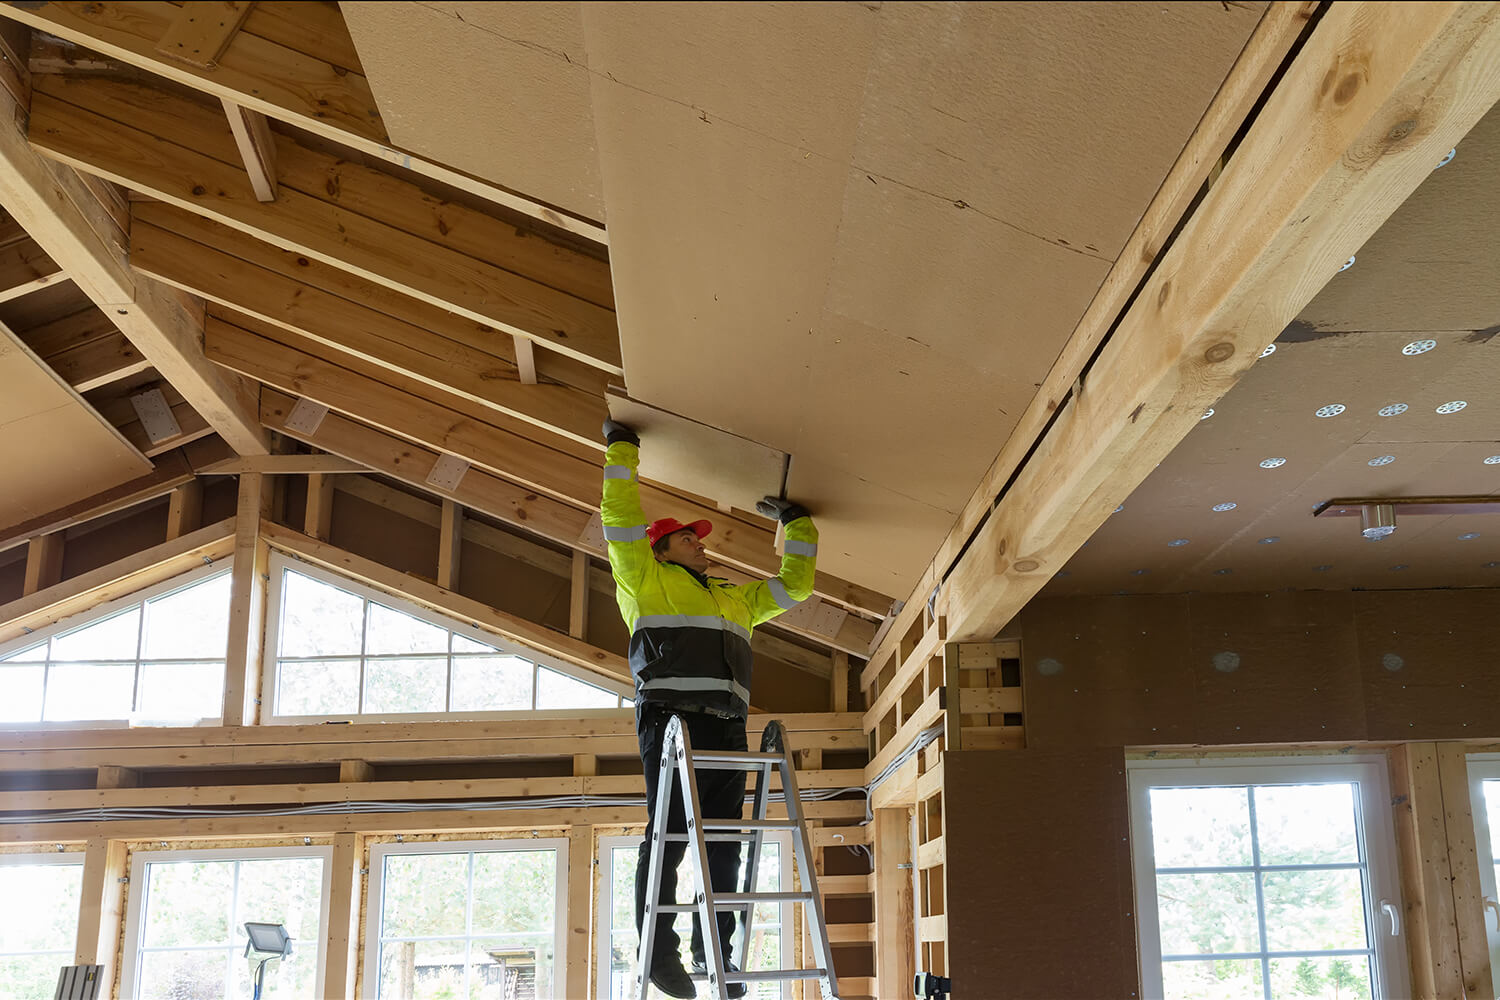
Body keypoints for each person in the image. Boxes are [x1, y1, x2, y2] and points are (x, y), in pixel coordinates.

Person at [600, 418, 818, 999]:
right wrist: (621, 448)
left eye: (698, 537)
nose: (701, 542)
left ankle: (714, 950)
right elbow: (620, 521)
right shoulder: (642, 578)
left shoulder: (735, 598)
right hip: (672, 721)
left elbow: (793, 588)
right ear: (660, 549)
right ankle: (658, 952)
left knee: (724, 841)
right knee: (669, 835)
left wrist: (798, 526)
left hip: (725, 727)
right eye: (687, 537)